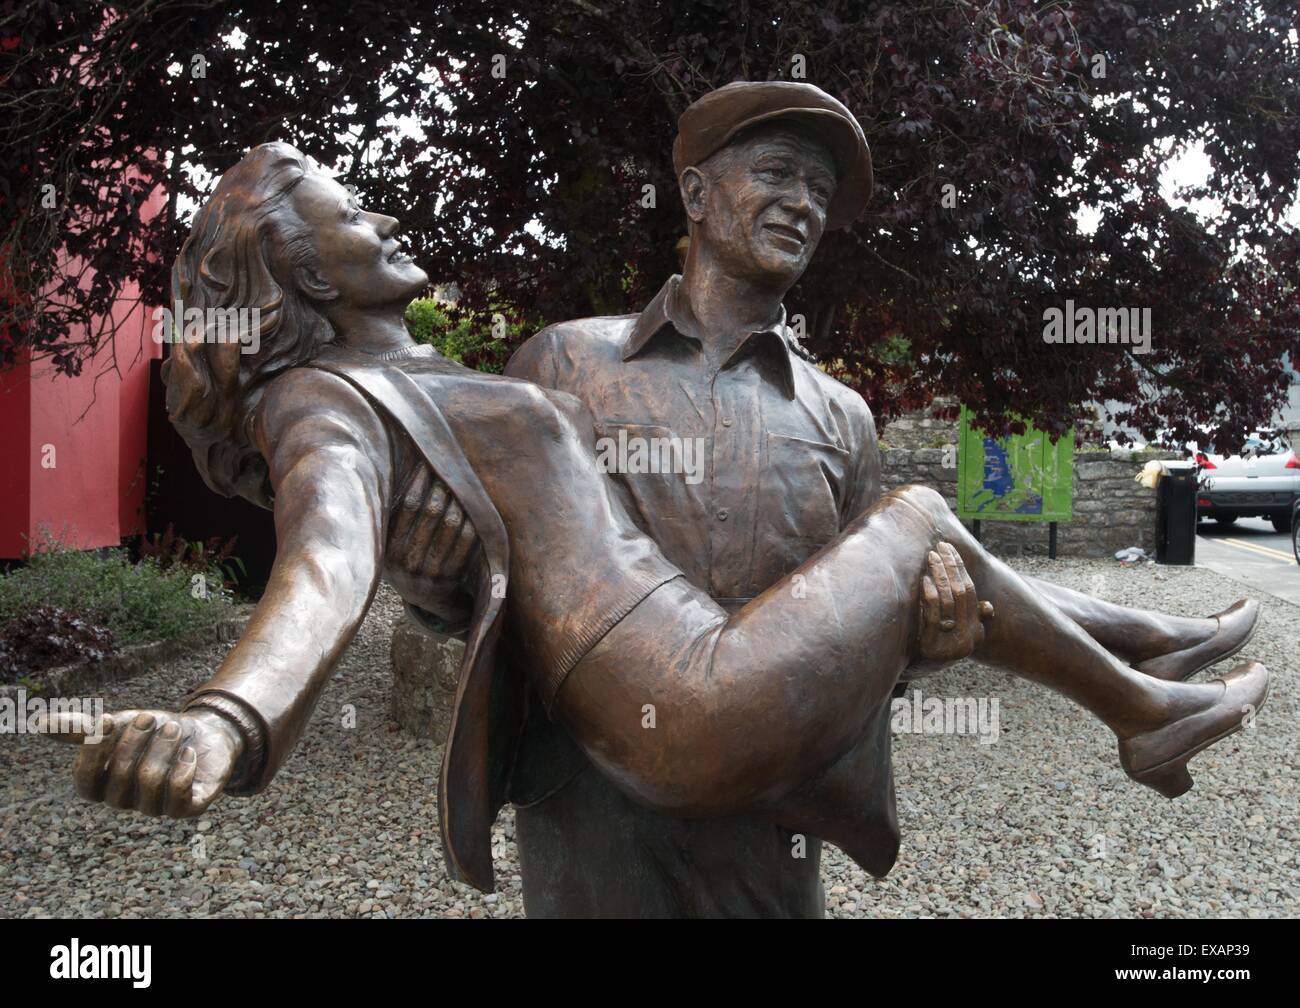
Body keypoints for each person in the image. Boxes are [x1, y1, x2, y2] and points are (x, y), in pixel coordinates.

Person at [42, 140, 1267, 918]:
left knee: (920, 536)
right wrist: (225, 720)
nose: (798, 202)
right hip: (643, 747)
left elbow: (876, 617)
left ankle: (1146, 651)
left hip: (755, 784)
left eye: (818, 190)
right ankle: (1142, 708)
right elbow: (326, 566)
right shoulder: (417, 388)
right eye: (771, 174)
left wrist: (933, 639)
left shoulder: (835, 410)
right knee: (925, 512)